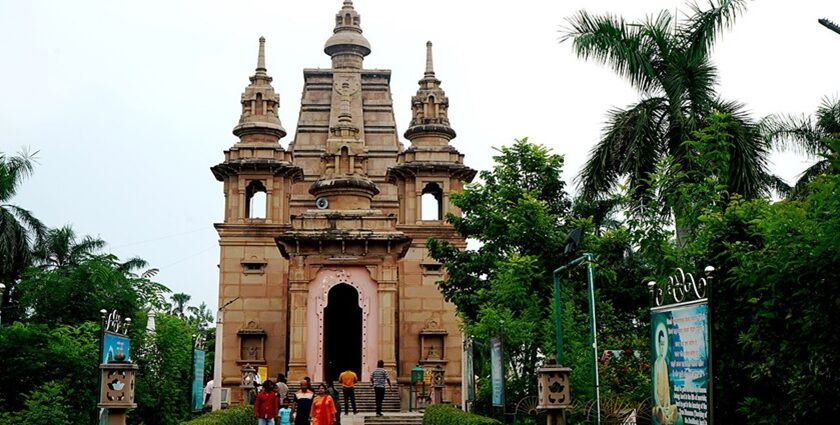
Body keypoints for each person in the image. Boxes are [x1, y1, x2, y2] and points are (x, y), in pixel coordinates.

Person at [652, 325, 680, 425]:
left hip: (665, 402)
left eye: (664, 345)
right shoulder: (657, 363)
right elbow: (655, 386)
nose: (662, 347)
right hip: (658, 402)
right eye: (661, 344)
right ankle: (665, 418)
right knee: (660, 412)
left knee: (674, 408)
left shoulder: (664, 363)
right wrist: (659, 403)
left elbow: (667, 385)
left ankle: (668, 419)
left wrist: (667, 402)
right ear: (658, 345)